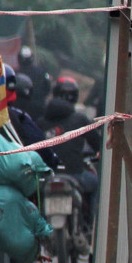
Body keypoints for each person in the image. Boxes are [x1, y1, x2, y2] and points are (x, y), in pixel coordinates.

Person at [42, 75, 100, 225]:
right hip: (74, 173)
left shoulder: (40, 122)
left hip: (46, 175)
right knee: (95, 183)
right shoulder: (80, 119)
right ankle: (91, 224)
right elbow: (98, 143)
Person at [16, 45, 50, 121]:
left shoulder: (15, 74)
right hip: (39, 110)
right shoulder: (42, 73)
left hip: (20, 111)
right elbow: (47, 89)